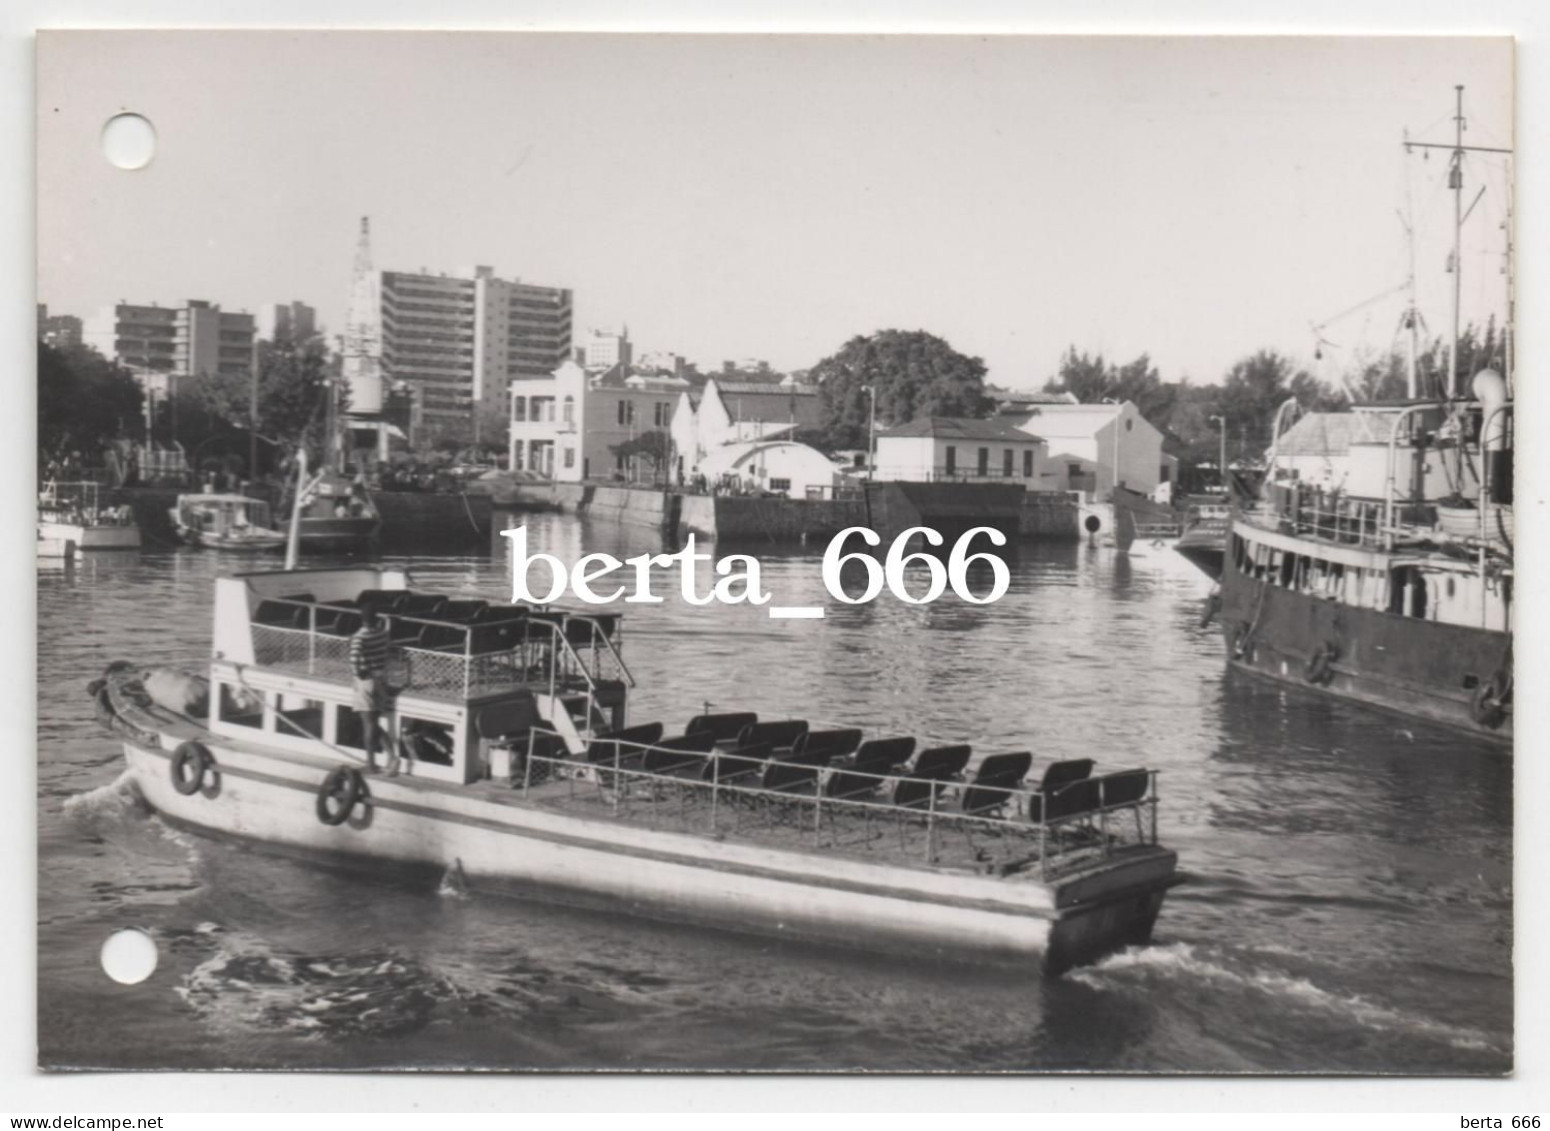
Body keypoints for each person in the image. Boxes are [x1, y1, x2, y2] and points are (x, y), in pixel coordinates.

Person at [349, 607, 398, 774]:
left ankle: (371, 764)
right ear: (376, 618)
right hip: (381, 679)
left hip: (367, 681)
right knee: (374, 723)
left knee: (368, 724)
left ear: (362, 620)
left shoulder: (359, 637)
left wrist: (358, 673)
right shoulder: (383, 634)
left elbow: (354, 659)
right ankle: (392, 756)